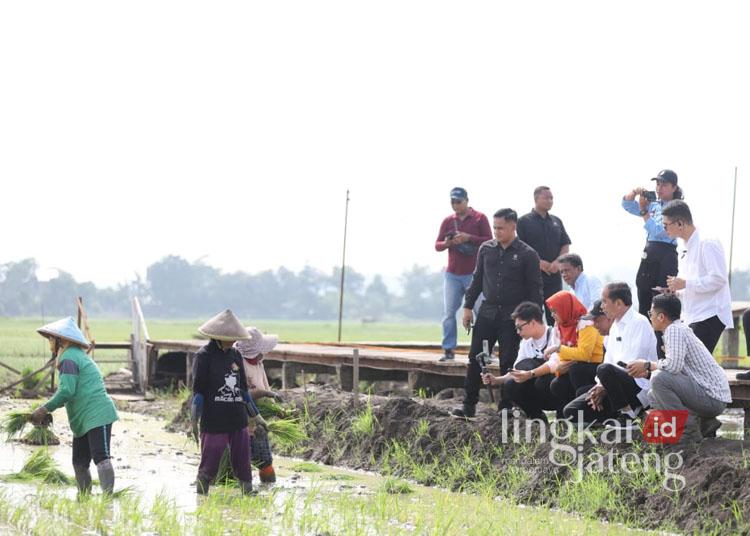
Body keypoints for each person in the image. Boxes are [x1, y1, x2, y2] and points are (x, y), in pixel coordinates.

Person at [451, 208, 543, 418]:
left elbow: (535, 289)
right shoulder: (486, 249)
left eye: (500, 228)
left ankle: (506, 405)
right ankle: (468, 405)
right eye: (494, 227)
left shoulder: (528, 254)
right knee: (475, 358)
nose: (496, 231)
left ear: (513, 226)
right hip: (487, 312)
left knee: (508, 360)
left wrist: (532, 318)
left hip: (512, 317)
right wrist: (467, 307)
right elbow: (476, 279)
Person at [30, 317, 119, 496]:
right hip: (84, 418)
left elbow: (66, 392)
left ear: (61, 340)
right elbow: (68, 393)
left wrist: (44, 409)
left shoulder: (70, 358)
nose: (49, 343)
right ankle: (84, 500)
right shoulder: (71, 355)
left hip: (97, 414)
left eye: (51, 339)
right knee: (79, 461)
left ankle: (108, 502)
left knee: (101, 457)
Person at [627, 293, 731, 444]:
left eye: (651, 313)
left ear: (661, 317)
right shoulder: (678, 329)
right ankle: (704, 424)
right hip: (710, 396)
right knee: (653, 394)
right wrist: (648, 372)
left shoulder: (674, 330)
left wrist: (648, 364)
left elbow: (673, 367)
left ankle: (688, 432)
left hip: (711, 398)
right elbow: (677, 371)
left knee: (658, 379)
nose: (650, 317)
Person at [190, 309, 267, 495]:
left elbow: (243, 391)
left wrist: (257, 416)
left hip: (237, 420)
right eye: (230, 337)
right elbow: (198, 393)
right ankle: (201, 496)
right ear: (219, 336)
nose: (234, 340)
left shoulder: (235, 355)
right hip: (214, 421)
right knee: (209, 462)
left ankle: (247, 494)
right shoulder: (204, 357)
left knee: (243, 462)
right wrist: (194, 421)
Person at [563, 282, 657, 426]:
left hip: (638, 385)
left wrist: (604, 385)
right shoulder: (615, 327)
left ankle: (629, 415)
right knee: (571, 411)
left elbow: (630, 365)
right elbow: (609, 360)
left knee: (604, 370)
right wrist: (600, 385)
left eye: (605, 302)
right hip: (613, 384)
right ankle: (614, 415)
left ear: (618, 303)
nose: (602, 307)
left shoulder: (639, 322)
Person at [662, 200, 733, 354]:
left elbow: (718, 279)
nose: (664, 229)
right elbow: (689, 282)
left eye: (666, 225)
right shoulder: (683, 246)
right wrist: (676, 290)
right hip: (691, 315)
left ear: (680, 223)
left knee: (693, 365)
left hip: (710, 314)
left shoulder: (707, 242)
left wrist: (685, 284)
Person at [435, 187, 492, 361]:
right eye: (452, 201)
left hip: (474, 273)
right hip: (452, 273)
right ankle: (448, 350)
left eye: (458, 201)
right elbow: (437, 245)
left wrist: (469, 238)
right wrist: (449, 242)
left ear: (467, 200)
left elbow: (489, 240)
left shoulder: (479, 218)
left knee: (481, 313)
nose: (455, 205)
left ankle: (485, 351)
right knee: (449, 313)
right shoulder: (447, 221)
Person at [481, 302, 558, 421]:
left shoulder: (554, 336)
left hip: (553, 390)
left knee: (535, 374)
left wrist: (530, 373)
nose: (518, 332)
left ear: (532, 322)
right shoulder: (526, 343)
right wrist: (496, 380)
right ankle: (536, 416)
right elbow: (516, 371)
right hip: (538, 392)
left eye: (519, 327)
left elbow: (555, 365)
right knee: (511, 384)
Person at [621, 169, 683, 317]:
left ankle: (662, 337)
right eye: (658, 184)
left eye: (664, 185)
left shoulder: (676, 207)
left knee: (662, 299)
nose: (659, 188)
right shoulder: (654, 204)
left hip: (666, 253)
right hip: (650, 252)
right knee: (643, 290)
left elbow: (659, 231)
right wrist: (635, 192)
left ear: (674, 187)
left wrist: (644, 211)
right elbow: (627, 205)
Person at [235, 327, 285, 484]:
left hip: (258, 423)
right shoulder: (238, 366)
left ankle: (268, 489)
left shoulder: (259, 365)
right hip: (241, 422)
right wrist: (266, 394)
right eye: (260, 351)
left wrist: (278, 411)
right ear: (252, 352)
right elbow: (245, 395)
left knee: (265, 462)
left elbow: (265, 390)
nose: (264, 354)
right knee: (239, 464)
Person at [517, 186, 572, 324]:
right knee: (532, 316)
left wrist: (558, 262)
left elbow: (565, 244)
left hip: (553, 277)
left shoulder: (556, 221)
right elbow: (519, 248)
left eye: (551, 198)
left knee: (555, 315)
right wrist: (538, 263)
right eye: (546, 198)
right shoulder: (523, 221)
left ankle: (555, 344)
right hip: (531, 277)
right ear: (536, 199)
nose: (550, 201)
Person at [544, 291, 605, 407]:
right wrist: (559, 366)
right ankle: (569, 414)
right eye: (551, 311)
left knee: (576, 370)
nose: (552, 315)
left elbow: (584, 354)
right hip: (577, 365)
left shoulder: (585, 322)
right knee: (557, 384)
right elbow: (560, 356)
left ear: (565, 308)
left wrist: (558, 348)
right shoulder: (560, 326)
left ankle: (584, 411)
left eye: (555, 311)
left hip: (596, 365)